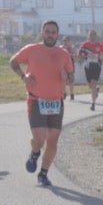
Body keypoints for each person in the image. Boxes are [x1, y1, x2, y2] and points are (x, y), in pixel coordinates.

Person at [9, 20, 74, 188]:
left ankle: (43, 173)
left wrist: (67, 78)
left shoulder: (64, 54)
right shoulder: (32, 50)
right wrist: (24, 77)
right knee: (40, 138)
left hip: (56, 102)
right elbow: (13, 62)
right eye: (47, 31)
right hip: (36, 100)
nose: (50, 35)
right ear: (42, 33)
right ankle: (35, 153)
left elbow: (71, 76)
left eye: (53, 32)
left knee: (52, 141)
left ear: (57, 35)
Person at [78, 29, 103, 111]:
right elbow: (79, 54)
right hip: (88, 66)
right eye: (91, 35)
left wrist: (102, 56)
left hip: (97, 66)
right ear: (88, 36)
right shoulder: (84, 45)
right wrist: (85, 56)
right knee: (90, 85)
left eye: (94, 35)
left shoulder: (99, 45)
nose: (92, 36)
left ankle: (93, 104)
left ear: (96, 36)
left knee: (93, 83)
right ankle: (96, 90)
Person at [59, 35, 77, 100]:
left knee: (71, 81)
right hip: (63, 65)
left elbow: (76, 55)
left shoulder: (72, 48)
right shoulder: (61, 47)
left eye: (66, 40)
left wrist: (71, 54)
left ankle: (72, 93)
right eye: (64, 41)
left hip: (70, 65)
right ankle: (64, 93)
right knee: (64, 79)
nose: (65, 42)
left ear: (69, 41)